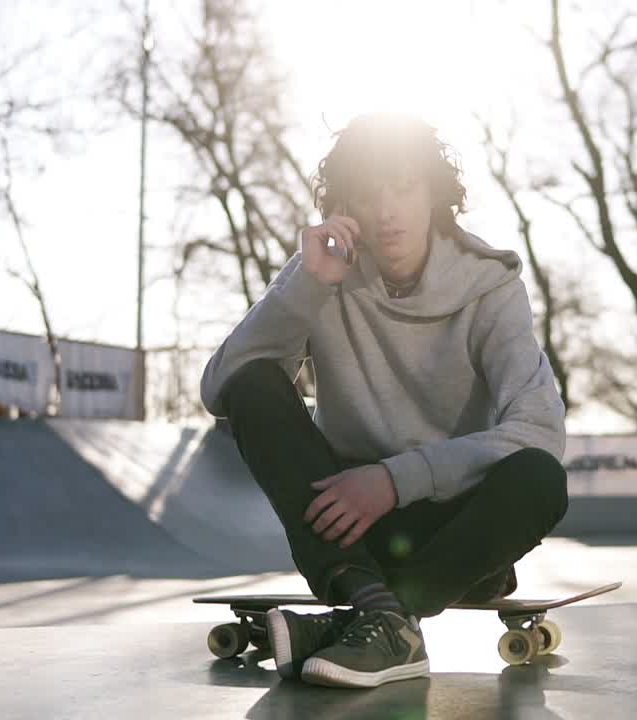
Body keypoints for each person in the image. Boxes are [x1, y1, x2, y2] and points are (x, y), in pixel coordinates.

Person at [199, 113, 568, 689]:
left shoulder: (490, 286)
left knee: (540, 476)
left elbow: (541, 429)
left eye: (404, 188)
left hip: (451, 521)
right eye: (369, 195)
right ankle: (387, 612)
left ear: (433, 196)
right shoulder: (322, 274)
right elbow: (220, 388)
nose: (388, 211)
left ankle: (375, 616)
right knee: (253, 383)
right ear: (345, 206)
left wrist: (395, 479)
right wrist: (306, 286)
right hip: (346, 523)